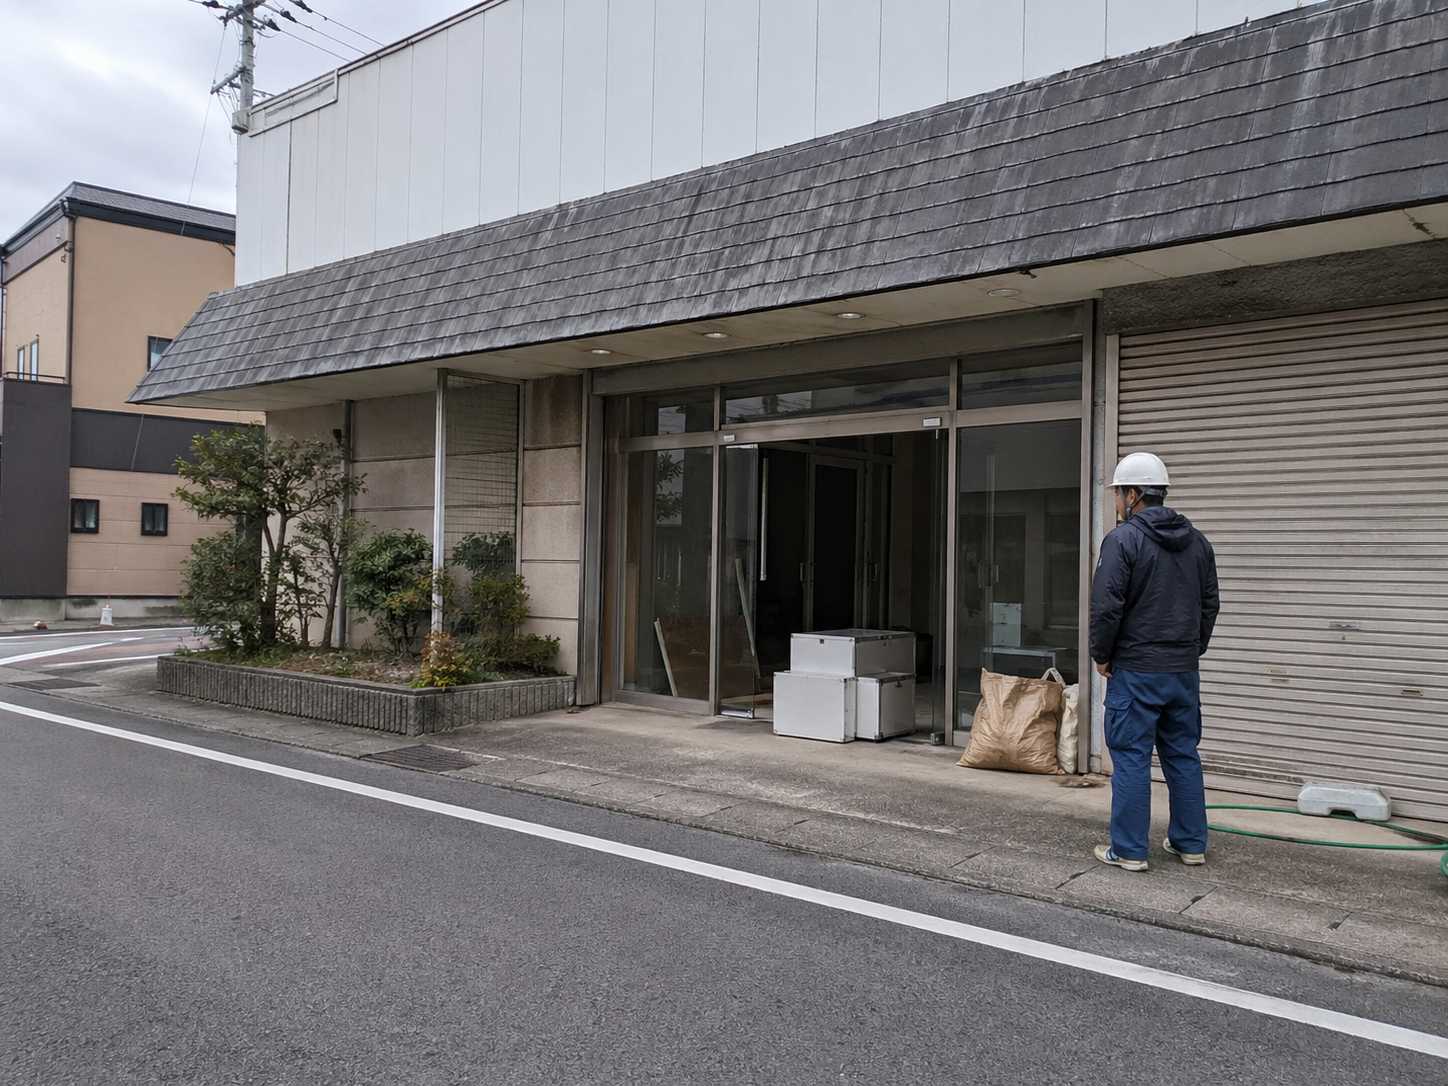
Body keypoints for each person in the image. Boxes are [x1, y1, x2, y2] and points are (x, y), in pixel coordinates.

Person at [1090, 452, 1219, 872]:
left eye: (1117, 494)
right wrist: (1190, 650)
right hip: (1182, 671)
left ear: (1133, 494)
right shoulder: (1198, 541)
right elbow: (1209, 605)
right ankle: (1190, 843)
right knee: (1182, 753)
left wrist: (1102, 655)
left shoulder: (1123, 540)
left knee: (1130, 755)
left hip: (1137, 670)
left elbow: (1107, 606)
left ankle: (1128, 850)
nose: (1115, 503)